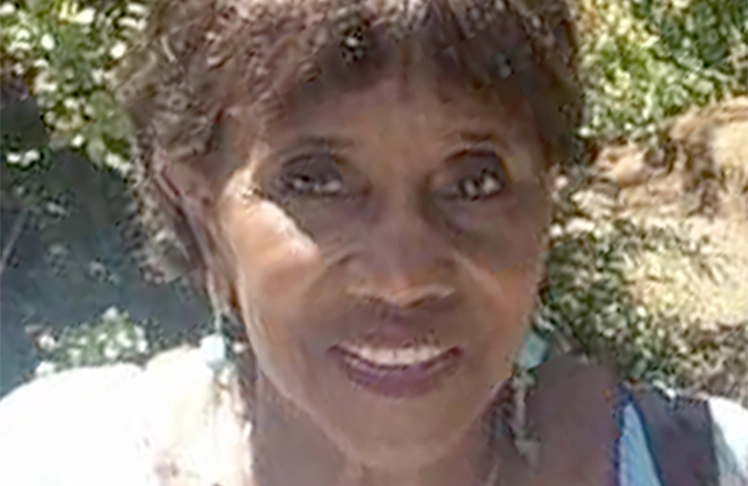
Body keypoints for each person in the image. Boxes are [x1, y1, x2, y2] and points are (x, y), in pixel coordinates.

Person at [0, 0, 747, 485]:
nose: (402, 277)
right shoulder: (58, 460)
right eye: (316, 181)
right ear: (200, 213)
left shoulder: (705, 465)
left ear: (547, 200)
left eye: (475, 180)